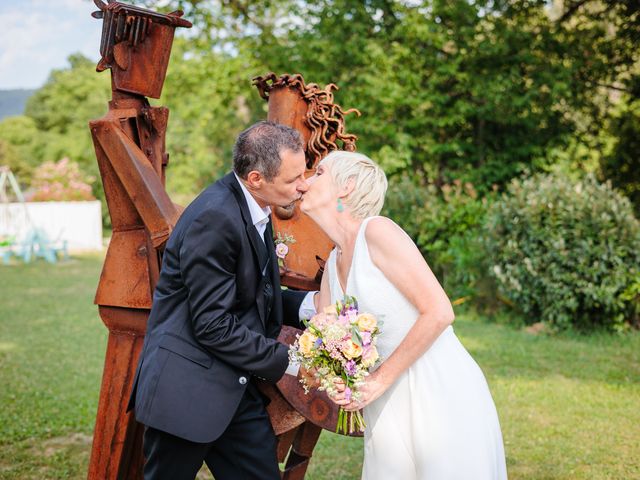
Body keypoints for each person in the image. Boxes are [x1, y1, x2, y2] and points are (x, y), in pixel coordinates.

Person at [300, 150, 508, 479]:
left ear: (347, 186)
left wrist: (378, 381)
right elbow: (330, 345)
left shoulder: (377, 233)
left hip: (438, 390)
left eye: (319, 173)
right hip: (384, 404)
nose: (306, 181)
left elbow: (439, 311)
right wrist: (340, 382)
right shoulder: (330, 266)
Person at [128, 121, 317, 480]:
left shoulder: (253, 205)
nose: (303, 185)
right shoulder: (215, 218)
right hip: (186, 394)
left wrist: (309, 305)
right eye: (293, 179)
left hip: (235, 393)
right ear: (257, 178)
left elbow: (249, 295)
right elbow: (212, 325)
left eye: (303, 173)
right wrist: (291, 362)